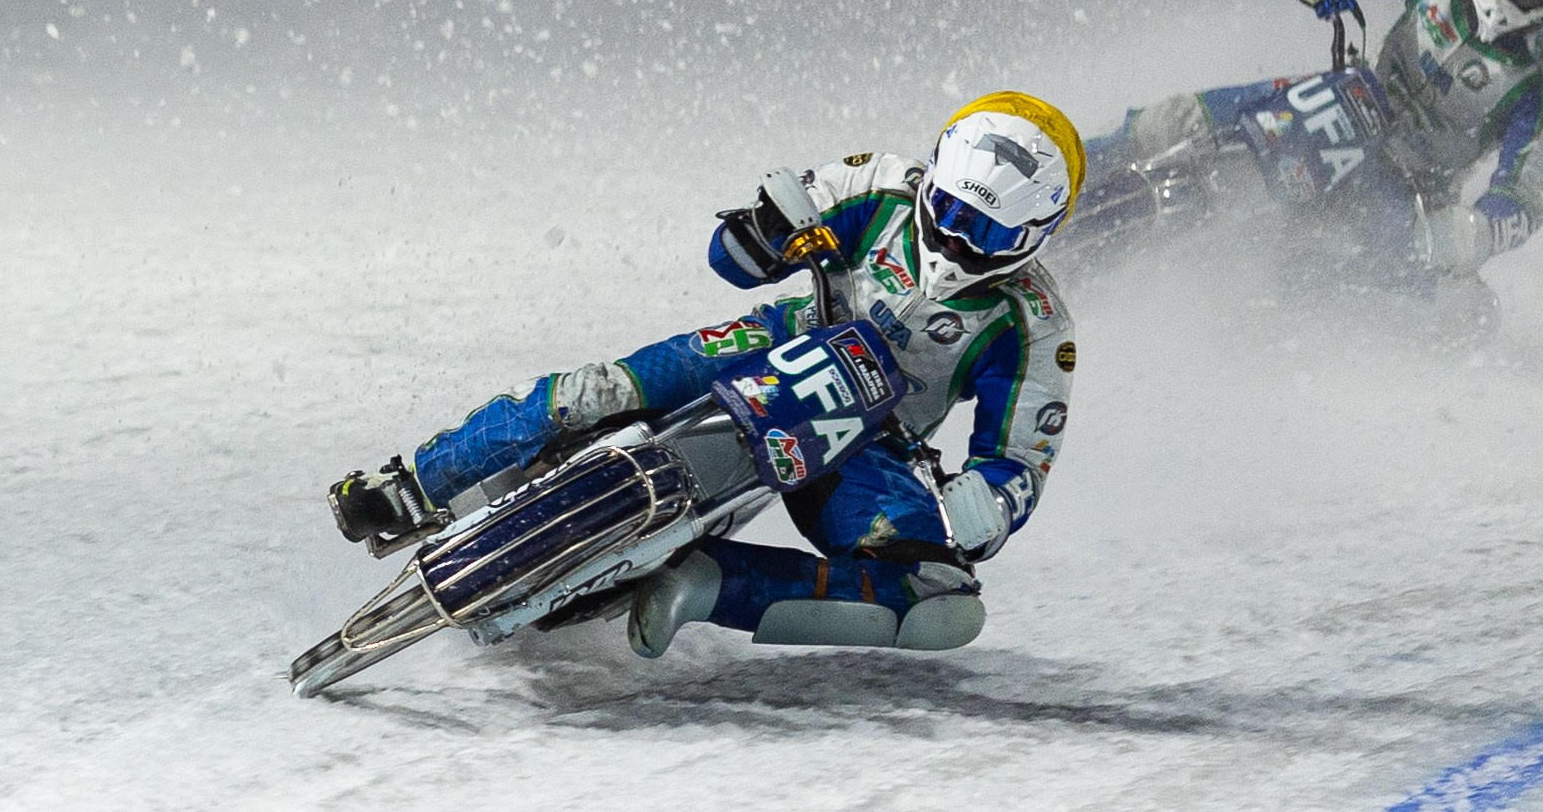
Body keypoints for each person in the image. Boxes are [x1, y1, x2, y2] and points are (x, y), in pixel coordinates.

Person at [329, 94, 1085, 659]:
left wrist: (990, 501)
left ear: (1039, 233)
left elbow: (1020, 458)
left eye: (988, 232)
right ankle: (416, 484)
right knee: (601, 388)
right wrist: (762, 232)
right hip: (778, 335)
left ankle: (706, 582)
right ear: (935, 174)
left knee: (943, 603)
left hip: (869, 444)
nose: (955, 237)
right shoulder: (882, 184)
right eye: (950, 208)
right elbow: (737, 255)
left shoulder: (1037, 326)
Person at [1072, 0, 1543, 290]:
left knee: (1450, 312)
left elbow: (1525, 199)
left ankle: (1283, 311)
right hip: (1344, 99)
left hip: (1413, 188)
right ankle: (1058, 175)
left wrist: (1476, 232)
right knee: (1174, 120)